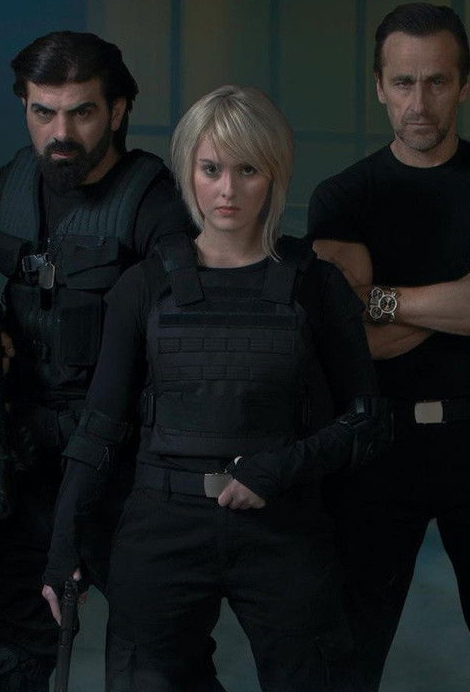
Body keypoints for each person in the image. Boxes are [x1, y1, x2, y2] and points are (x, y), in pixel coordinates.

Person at [41, 84, 388, 691]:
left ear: (274, 175)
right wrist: (63, 546)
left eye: (247, 170)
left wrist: (278, 469)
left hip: (283, 526)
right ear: (188, 172)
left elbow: (368, 421)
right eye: (211, 170)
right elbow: (99, 428)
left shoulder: (316, 285)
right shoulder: (144, 287)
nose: (227, 191)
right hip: (162, 523)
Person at [0, 31, 193, 691]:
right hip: (30, 458)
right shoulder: (7, 188)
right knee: (12, 655)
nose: (61, 133)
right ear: (24, 106)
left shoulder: (154, 202)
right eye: (43, 112)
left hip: (128, 467)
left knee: (155, 658)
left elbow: (192, 332)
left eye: (82, 113)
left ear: (118, 111)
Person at [307, 2, 470, 691]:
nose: (419, 103)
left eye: (437, 81)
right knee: (346, 662)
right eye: (404, 82)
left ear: (464, 85)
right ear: (380, 88)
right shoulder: (343, 197)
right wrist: (467, 288)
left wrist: (385, 296)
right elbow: (353, 343)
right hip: (375, 445)